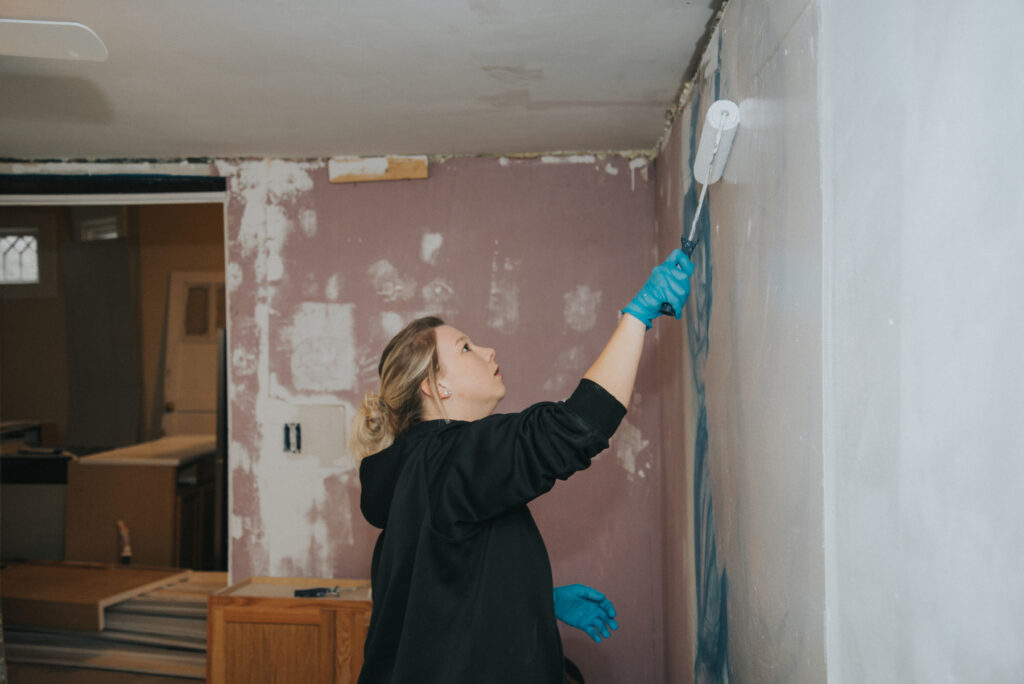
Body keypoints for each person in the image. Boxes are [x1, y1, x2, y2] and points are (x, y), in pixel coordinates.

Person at [351, 249, 694, 683]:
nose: (488, 350)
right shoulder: (444, 458)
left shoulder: (418, 472)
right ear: (435, 384)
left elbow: (439, 597)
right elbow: (572, 429)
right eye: (466, 348)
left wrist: (538, 598)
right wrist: (638, 315)